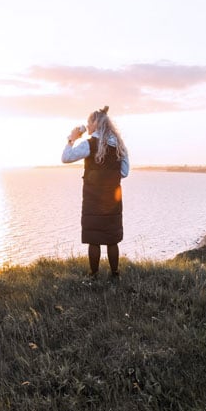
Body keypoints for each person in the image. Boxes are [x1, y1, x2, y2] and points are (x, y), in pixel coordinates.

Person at [61, 105, 130, 282]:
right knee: (112, 238)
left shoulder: (89, 144)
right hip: (112, 199)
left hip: (93, 199)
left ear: (95, 124)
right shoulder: (119, 145)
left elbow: (66, 158)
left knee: (94, 238)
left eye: (88, 123)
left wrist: (72, 138)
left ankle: (94, 276)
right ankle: (115, 275)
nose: (87, 126)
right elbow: (124, 172)